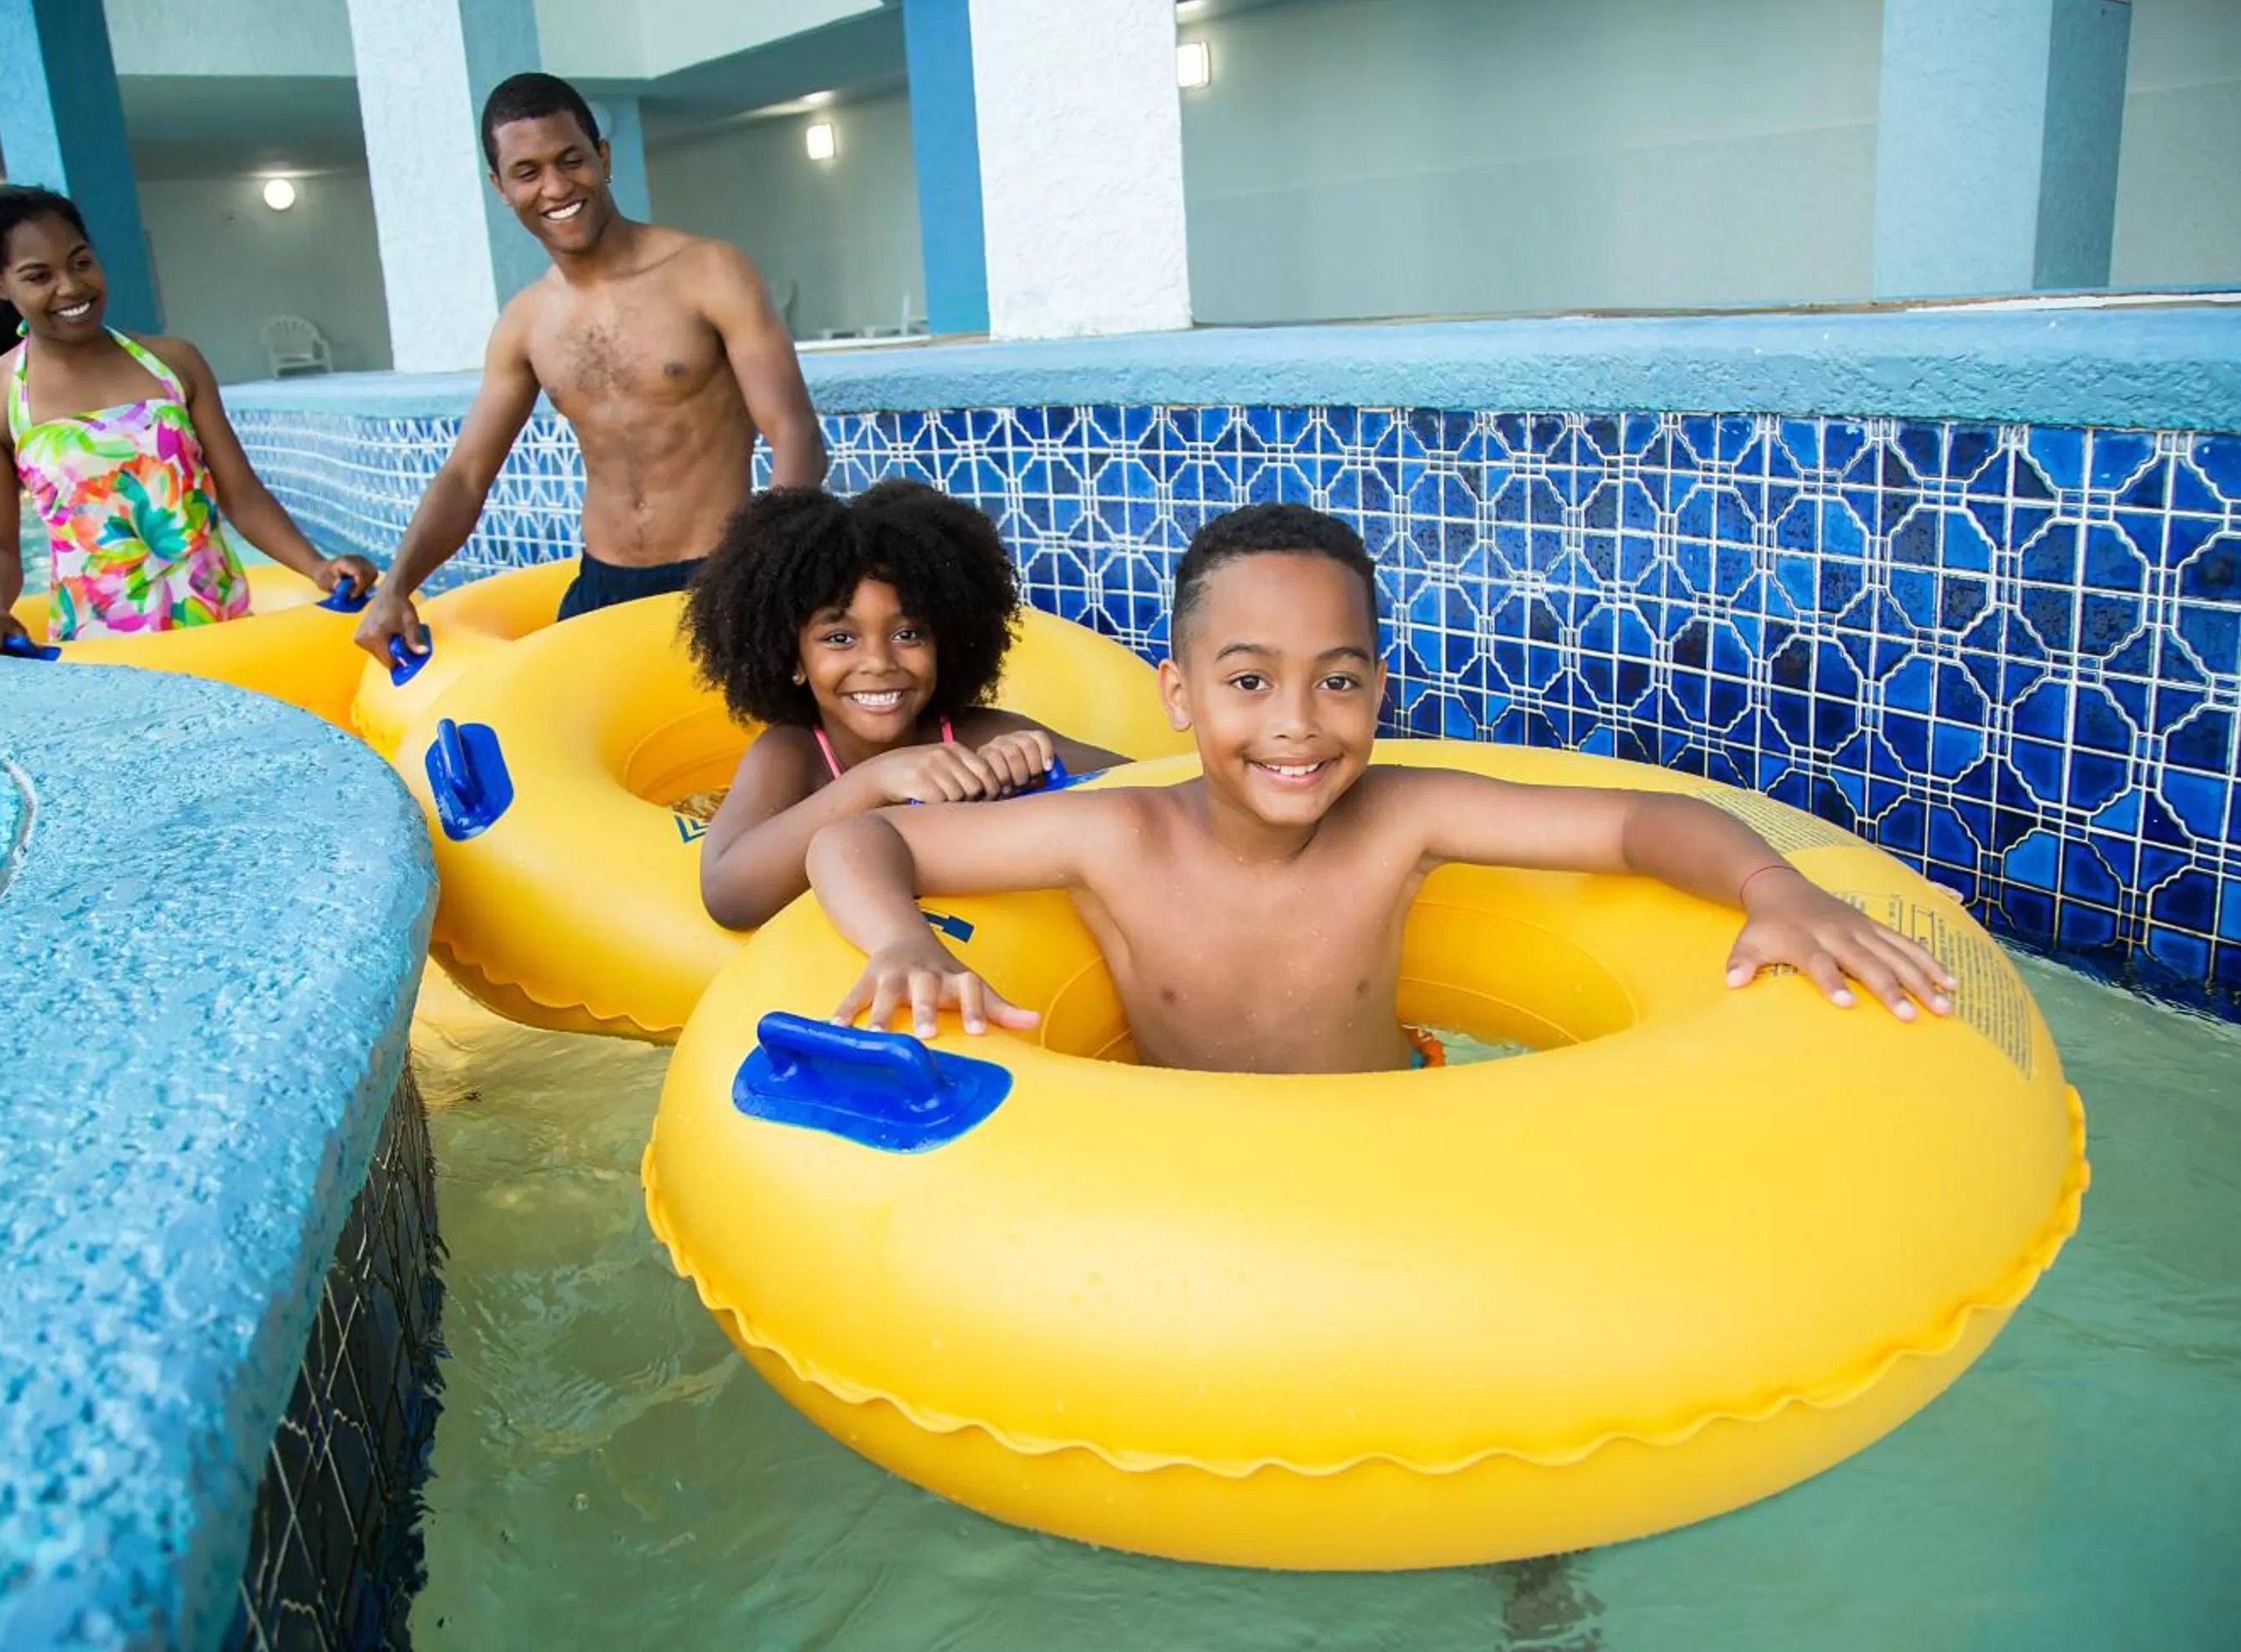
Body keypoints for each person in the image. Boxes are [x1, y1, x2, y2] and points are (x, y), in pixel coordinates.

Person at [806, 503, 1959, 1073]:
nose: (1298, 725)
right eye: (1249, 681)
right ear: (1178, 696)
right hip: (1177, 1156)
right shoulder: (1116, 837)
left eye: (1339, 681)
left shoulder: (1401, 816)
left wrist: (1775, 888)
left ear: (1378, 687)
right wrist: (904, 942)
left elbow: (1638, 822)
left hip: (1398, 1130)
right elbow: (857, 846)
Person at [352, 72, 826, 662]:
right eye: (527, 172)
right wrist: (397, 585)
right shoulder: (525, 322)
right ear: (501, 187)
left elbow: (796, 433)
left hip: (719, 574)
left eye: (570, 160)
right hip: (602, 585)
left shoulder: (709, 272)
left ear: (602, 158)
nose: (555, 187)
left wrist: (765, 572)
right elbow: (466, 475)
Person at [0, 186, 378, 652]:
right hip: (99, 651)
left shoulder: (174, 363)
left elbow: (242, 495)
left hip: (221, 631)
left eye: (80, 262)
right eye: (38, 276)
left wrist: (316, 567)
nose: (70, 287)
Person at [685, 482, 1129, 931]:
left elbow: (1158, 786)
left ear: (945, 643)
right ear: (793, 658)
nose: (879, 663)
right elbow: (728, 894)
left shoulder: (976, 737)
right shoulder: (793, 755)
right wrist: (877, 779)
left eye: (907, 634)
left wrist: (1039, 766)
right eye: (840, 638)